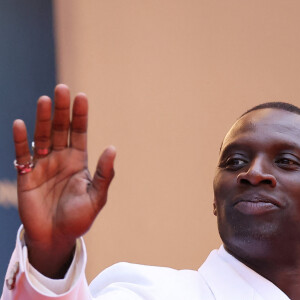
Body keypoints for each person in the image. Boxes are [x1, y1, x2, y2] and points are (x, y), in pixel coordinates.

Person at [1, 84, 300, 299]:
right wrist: (48, 259)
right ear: (214, 199)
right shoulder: (149, 293)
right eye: (234, 162)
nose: (253, 173)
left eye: (286, 161)